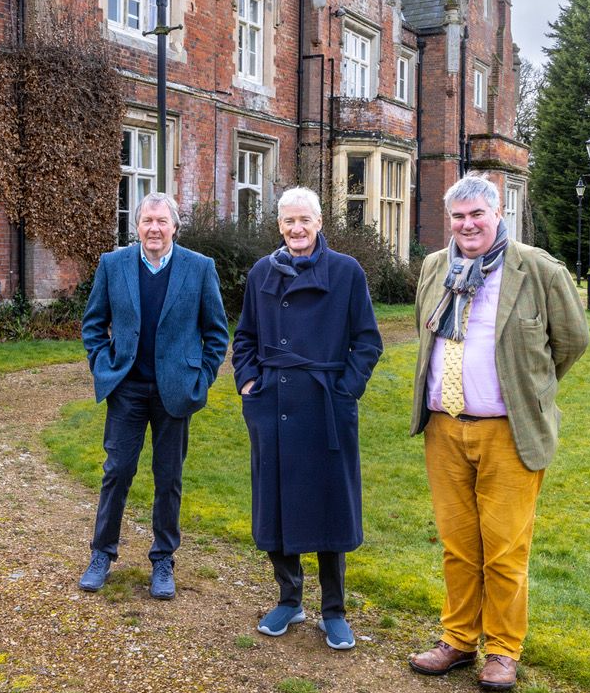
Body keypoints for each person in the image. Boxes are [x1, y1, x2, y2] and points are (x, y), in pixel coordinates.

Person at [407, 173, 588, 692]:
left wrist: (526, 389)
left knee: (505, 548)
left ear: (497, 215)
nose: (467, 225)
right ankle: (458, 640)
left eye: (477, 215)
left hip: (508, 433)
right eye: (458, 217)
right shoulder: (434, 267)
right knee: (459, 545)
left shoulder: (537, 269)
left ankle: (503, 651)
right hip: (443, 430)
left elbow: (572, 342)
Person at [232, 187, 383, 651]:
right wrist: (249, 384)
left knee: (330, 504)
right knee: (277, 501)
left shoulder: (345, 272)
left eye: (305, 220)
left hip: (325, 407)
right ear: (278, 224)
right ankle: (289, 598)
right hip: (273, 405)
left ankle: (334, 610)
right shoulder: (261, 273)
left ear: (320, 222)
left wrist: (345, 390)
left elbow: (367, 341)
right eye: (288, 220)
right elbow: (245, 340)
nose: (296, 228)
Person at [79, 191, 229, 599]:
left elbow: (217, 333)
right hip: (126, 388)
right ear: (137, 225)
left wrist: (202, 376)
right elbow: (93, 323)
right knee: (117, 472)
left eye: (162, 221)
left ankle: (163, 559)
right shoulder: (113, 265)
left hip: (175, 391)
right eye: (147, 221)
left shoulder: (199, 269)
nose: (154, 228)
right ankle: (101, 554)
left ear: (175, 227)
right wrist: (102, 364)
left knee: (169, 478)